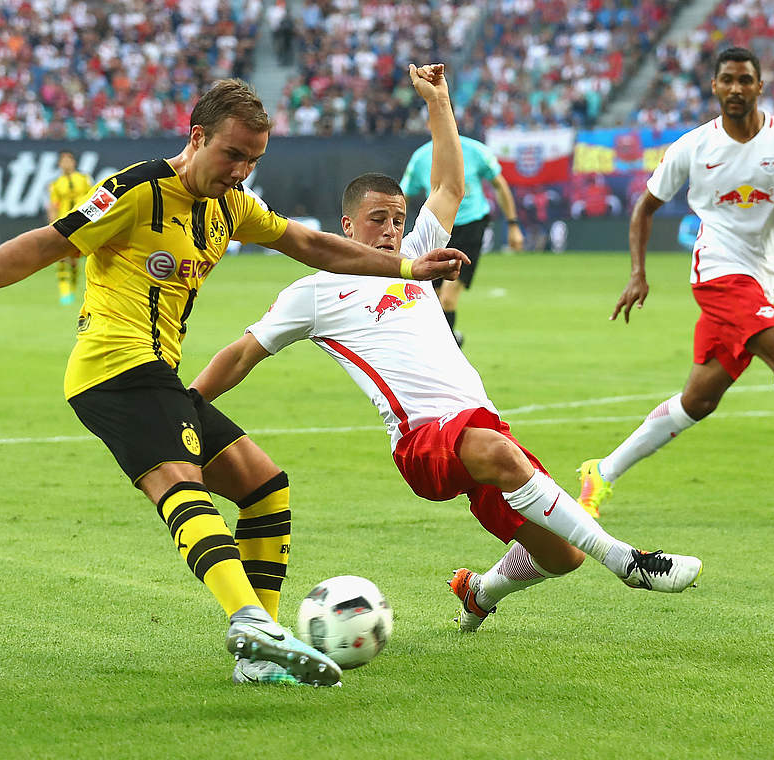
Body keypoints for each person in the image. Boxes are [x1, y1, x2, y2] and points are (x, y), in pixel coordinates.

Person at [0, 77, 468, 687]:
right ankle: (248, 617)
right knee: (179, 482)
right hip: (113, 366)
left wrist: (406, 265)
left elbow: (314, 245)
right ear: (198, 138)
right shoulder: (135, 190)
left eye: (253, 159)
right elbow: (47, 245)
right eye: (233, 154)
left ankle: (257, 652)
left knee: (264, 486)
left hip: (154, 376)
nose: (241, 170)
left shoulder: (232, 207)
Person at [192, 63, 702, 636]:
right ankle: (629, 563)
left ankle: (481, 591)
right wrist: (186, 403)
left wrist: (439, 101)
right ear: (346, 224)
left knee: (562, 557)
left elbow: (451, 188)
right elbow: (243, 352)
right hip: (422, 441)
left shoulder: (415, 254)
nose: (391, 230)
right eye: (377, 220)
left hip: (480, 429)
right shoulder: (314, 292)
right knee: (503, 460)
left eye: (397, 219)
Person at [576, 47, 774, 519]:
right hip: (716, 272)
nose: (736, 88)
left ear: (760, 86)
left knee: (699, 400)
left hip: (762, 278)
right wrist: (638, 273)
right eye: (727, 80)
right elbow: (644, 209)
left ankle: (602, 472)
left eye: (745, 80)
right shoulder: (693, 147)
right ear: (714, 86)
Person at [401, 128, 523, 346]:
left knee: (448, 296)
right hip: (437, 230)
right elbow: (404, 196)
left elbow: (499, 184)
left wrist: (513, 225)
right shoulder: (420, 158)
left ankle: (444, 352)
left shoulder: (476, 151)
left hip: (471, 226)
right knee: (434, 298)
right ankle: (450, 340)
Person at [47, 151, 94, 304]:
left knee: (76, 259)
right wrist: (52, 223)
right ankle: (64, 290)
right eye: (63, 161)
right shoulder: (55, 184)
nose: (66, 163)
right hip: (64, 222)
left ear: (74, 162)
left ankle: (73, 286)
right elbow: (53, 206)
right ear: (59, 164)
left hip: (82, 222)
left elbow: (92, 198)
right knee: (61, 257)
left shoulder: (84, 179)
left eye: (69, 160)